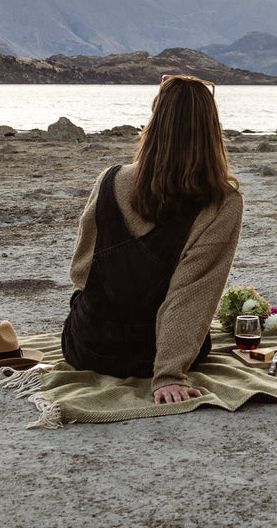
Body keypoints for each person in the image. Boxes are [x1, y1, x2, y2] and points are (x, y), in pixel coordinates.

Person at [61, 74, 243, 403]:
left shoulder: (109, 179)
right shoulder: (223, 202)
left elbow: (82, 271)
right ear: (212, 130)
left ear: (154, 123)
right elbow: (190, 295)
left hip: (88, 347)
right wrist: (169, 375)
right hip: (152, 357)